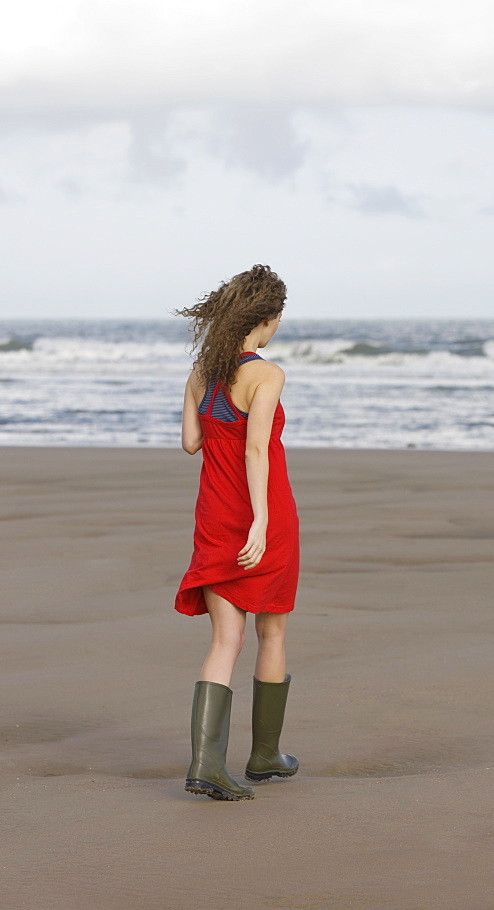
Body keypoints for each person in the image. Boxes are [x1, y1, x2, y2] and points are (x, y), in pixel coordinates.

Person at [174, 264, 300, 802]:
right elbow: (256, 449)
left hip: (213, 517)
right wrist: (264, 521)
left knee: (225, 639)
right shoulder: (266, 375)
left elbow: (190, 442)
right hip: (259, 517)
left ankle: (207, 763)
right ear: (266, 321)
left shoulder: (203, 369)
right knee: (271, 634)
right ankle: (265, 755)